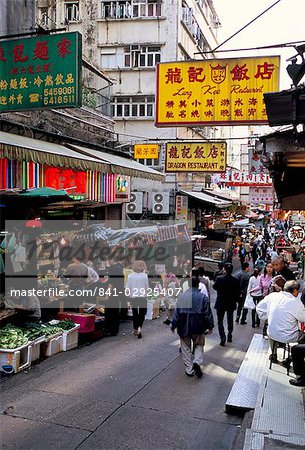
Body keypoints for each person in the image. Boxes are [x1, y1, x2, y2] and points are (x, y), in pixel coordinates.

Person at [171, 276, 214, 378]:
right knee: (199, 345)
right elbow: (208, 314)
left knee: (185, 348)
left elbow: (176, 313)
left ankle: (189, 369)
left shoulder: (182, 297)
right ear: (198, 284)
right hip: (199, 327)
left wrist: (174, 325)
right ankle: (197, 362)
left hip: (183, 326)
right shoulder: (203, 297)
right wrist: (210, 326)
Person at [256, 280, 305, 364]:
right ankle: (290, 358)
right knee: (303, 336)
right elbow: (303, 318)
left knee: (272, 331)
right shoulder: (296, 302)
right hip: (288, 336)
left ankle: (273, 354)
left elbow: (259, 308)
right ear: (295, 291)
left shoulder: (272, 296)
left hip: (271, 333)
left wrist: (268, 317)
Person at [213, 262, 240, 346]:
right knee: (230, 319)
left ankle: (222, 336)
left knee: (220, 321)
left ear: (224, 269)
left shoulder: (219, 278)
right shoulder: (235, 280)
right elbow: (237, 292)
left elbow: (214, 287)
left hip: (221, 302)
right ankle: (229, 334)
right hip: (231, 303)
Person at [126, 260, 149, 339]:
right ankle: (140, 327)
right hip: (142, 297)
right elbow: (147, 287)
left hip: (133, 297)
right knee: (142, 313)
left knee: (135, 313)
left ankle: (136, 328)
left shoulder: (130, 276)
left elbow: (128, 288)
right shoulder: (145, 276)